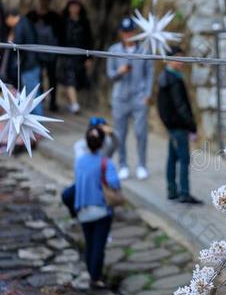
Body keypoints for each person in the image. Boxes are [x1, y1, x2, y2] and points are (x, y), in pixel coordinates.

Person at [106, 17, 153, 181]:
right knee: (120, 134)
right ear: (121, 33)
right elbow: (110, 75)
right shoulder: (113, 49)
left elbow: (149, 74)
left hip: (139, 98)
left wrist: (147, 94)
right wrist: (120, 71)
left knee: (141, 133)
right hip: (120, 98)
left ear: (135, 32)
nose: (128, 35)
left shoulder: (144, 50)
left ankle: (142, 165)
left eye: (131, 31)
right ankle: (123, 165)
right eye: (125, 32)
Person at [74, 126, 120, 288]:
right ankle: (95, 277)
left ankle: (90, 272)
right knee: (99, 245)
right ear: (102, 144)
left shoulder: (79, 161)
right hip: (101, 211)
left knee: (90, 243)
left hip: (83, 210)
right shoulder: (106, 163)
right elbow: (114, 183)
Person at [157, 46, 202, 204]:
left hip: (172, 126)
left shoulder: (164, 77)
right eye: (178, 58)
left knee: (172, 158)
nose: (182, 62)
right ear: (169, 59)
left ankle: (172, 191)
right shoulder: (174, 80)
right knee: (183, 159)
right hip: (178, 126)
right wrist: (192, 126)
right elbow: (181, 106)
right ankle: (184, 193)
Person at [62, 117, 119, 218]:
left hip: (102, 183)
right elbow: (84, 164)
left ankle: (108, 212)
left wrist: (112, 133)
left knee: (107, 196)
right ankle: (76, 214)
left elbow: (117, 143)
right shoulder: (80, 145)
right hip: (86, 181)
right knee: (67, 195)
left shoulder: (107, 143)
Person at [1, 8, 42, 116]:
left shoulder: (20, 25)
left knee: (32, 97)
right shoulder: (26, 22)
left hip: (29, 66)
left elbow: (16, 43)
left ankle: (39, 122)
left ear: (10, 17)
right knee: (33, 95)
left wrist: (10, 40)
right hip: (33, 64)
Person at [27, 0, 62, 112]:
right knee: (37, 77)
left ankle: (52, 102)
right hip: (35, 51)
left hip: (50, 51)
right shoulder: (31, 15)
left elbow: (59, 35)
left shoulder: (55, 16)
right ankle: (39, 101)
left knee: (52, 77)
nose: (44, 1)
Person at [58, 0, 93, 114]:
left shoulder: (84, 22)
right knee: (70, 79)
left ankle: (72, 103)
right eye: (72, 6)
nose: (74, 9)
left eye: (76, 6)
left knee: (77, 80)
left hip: (80, 55)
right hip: (67, 55)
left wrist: (89, 58)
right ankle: (75, 104)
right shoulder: (63, 21)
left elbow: (89, 40)